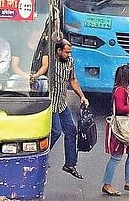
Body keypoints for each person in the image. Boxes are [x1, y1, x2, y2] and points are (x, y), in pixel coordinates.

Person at [102, 65, 129, 196]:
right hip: (123, 127)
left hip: (128, 125)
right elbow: (120, 108)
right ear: (127, 76)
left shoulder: (125, 89)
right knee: (116, 156)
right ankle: (107, 184)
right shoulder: (120, 90)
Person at [49, 39, 89, 180]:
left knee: (71, 131)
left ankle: (70, 164)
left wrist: (82, 96)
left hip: (61, 102)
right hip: (51, 103)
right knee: (56, 132)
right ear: (58, 51)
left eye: (69, 52)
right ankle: (43, 156)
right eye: (66, 52)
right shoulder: (51, 62)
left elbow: (73, 80)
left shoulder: (70, 61)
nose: (68, 55)